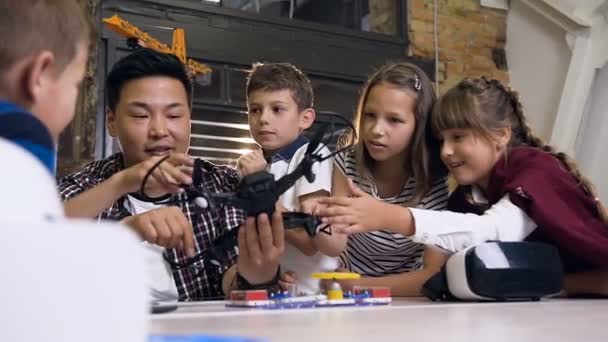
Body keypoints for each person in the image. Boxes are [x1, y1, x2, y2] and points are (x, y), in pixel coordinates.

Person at [320, 76, 608, 296]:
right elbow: (437, 274)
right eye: (441, 139)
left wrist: (389, 216)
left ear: (501, 135)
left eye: (458, 137)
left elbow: (494, 231)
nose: (445, 151)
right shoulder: (465, 199)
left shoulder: (537, 170)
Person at [58, 49, 284, 301]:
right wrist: (125, 229)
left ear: (190, 121)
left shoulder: (222, 185)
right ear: (111, 121)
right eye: (141, 115)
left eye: (174, 115)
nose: (159, 130)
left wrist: (254, 277)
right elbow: (40, 258)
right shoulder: (84, 189)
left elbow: (233, 279)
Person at [316, 62, 450, 296]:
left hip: (404, 297)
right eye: (370, 115)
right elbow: (333, 243)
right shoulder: (345, 164)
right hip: (344, 289)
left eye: (394, 120)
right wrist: (315, 221)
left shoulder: (435, 183)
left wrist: (360, 287)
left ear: (420, 126)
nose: (376, 129)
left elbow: (433, 275)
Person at [237, 62, 346, 295]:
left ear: (305, 119)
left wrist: (261, 189)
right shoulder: (255, 165)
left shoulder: (310, 156)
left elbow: (309, 241)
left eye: (277, 109)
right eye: (255, 109)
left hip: (315, 296)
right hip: (276, 291)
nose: (263, 119)